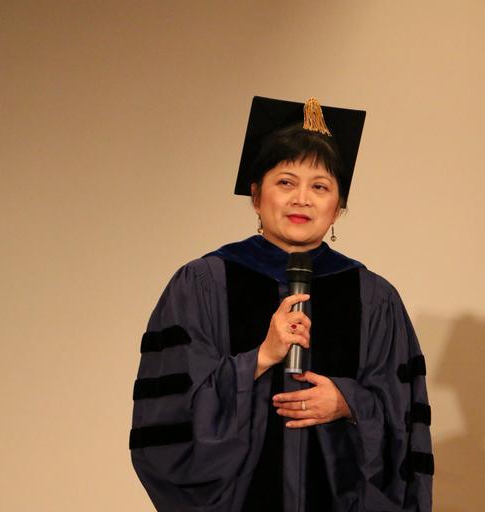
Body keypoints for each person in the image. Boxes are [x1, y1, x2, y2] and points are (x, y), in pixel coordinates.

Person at [129, 96, 433, 512]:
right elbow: (169, 416)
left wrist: (349, 403)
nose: (301, 199)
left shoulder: (375, 298)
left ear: (338, 208)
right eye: (286, 182)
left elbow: (404, 420)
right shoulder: (202, 284)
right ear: (256, 196)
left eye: (320, 187)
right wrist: (259, 359)